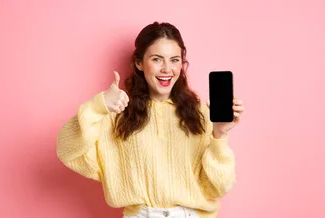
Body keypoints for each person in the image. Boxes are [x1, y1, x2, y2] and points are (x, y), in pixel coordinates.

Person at [56, 21, 245, 218]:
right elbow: (67, 150)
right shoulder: (117, 113)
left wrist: (220, 134)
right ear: (139, 63)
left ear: (182, 63)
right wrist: (98, 105)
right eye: (157, 59)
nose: (166, 69)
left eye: (174, 60)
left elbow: (220, 186)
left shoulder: (201, 114)